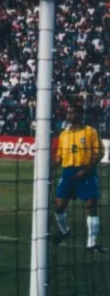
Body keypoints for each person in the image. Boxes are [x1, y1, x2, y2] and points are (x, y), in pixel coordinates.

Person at [53, 105, 104, 252]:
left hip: (86, 170)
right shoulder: (64, 135)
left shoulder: (90, 132)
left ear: (81, 115)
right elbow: (59, 157)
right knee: (59, 205)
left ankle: (92, 243)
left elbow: (99, 153)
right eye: (69, 113)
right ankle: (65, 231)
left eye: (74, 112)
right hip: (68, 172)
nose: (71, 115)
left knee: (90, 206)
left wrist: (86, 169)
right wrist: (51, 167)